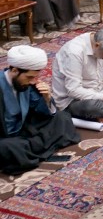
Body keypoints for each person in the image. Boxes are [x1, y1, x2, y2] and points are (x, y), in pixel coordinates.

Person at [0, 46, 79, 175]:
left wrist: (46, 98)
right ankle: (33, 149)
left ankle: (28, 151)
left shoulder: (25, 84)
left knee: (62, 118)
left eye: (34, 77)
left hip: (23, 131)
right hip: (4, 137)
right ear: (14, 70)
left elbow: (41, 113)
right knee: (8, 147)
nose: (32, 81)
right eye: (29, 77)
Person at [51, 29, 103, 122]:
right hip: (74, 100)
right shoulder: (74, 52)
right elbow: (73, 90)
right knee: (91, 107)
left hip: (99, 90)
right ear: (97, 45)